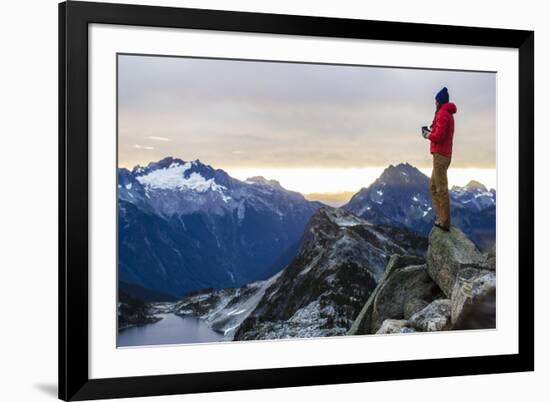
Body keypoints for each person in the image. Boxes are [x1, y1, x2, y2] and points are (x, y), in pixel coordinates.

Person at [422, 87, 457, 231]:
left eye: (436, 100)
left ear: (439, 101)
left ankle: (445, 222)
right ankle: (441, 217)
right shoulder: (446, 114)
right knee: (432, 187)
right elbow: (441, 133)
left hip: (441, 156)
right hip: (443, 155)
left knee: (441, 188)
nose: (434, 103)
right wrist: (431, 132)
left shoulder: (443, 114)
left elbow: (440, 137)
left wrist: (427, 135)